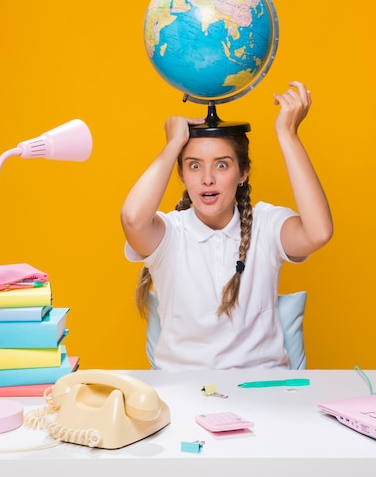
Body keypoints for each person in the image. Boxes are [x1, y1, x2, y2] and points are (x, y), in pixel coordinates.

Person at [121, 81, 333, 370]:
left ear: (243, 172)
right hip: (182, 391)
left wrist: (288, 134)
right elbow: (132, 218)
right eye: (194, 165)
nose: (207, 178)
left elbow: (318, 232)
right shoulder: (168, 233)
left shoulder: (266, 226)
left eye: (222, 165)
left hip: (262, 390)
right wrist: (172, 145)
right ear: (181, 174)